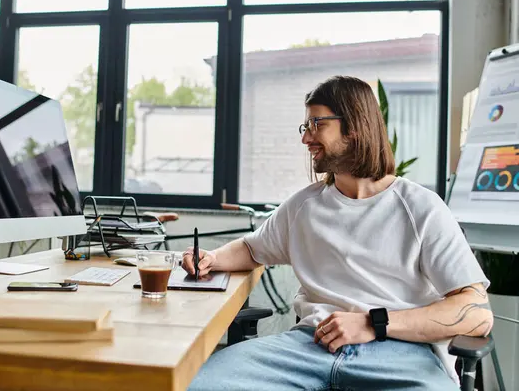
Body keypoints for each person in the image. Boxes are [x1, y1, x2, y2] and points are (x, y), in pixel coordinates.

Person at [181, 76, 492, 391]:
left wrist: (374, 324)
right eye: (306, 127)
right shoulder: (303, 206)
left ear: (354, 126)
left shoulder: (421, 208)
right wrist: (211, 259)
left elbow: (477, 314)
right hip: (306, 349)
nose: (307, 139)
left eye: (317, 124)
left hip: (400, 355)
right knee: (194, 384)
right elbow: (253, 249)